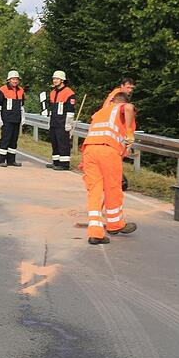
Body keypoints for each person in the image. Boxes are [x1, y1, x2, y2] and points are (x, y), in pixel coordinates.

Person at [80, 92, 138, 245]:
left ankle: (95, 233)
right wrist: (130, 133)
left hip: (89, 151)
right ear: (121, 102)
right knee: (112, 188)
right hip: (108, 152)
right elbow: (129, 108)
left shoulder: (100, 113)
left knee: (94, 191)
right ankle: (115, 224)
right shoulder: (120, 108)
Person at [0, 70, 25, 167]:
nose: (15, 81)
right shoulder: (2, 90)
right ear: (9, 80)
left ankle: (11, 160)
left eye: (16, 79)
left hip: (16, 119)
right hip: (6, 119)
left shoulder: (21, 90)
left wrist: (23, 117)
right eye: (13, 79)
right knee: (5, 139)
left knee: (14, 140)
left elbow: (22, 106)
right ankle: (1, 160)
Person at [46, 70, 77, 171]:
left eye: (57, 79)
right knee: (54, 142)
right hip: (54, 121)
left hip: (63, 123)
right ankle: (56, 162)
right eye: (54, 79)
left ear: (62, 80)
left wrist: (68, 124)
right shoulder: (53, 92)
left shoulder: (69, 93)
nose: (55, 81)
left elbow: (70, 111)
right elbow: (52, 108)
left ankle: (64, 164)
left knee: (63, 143)